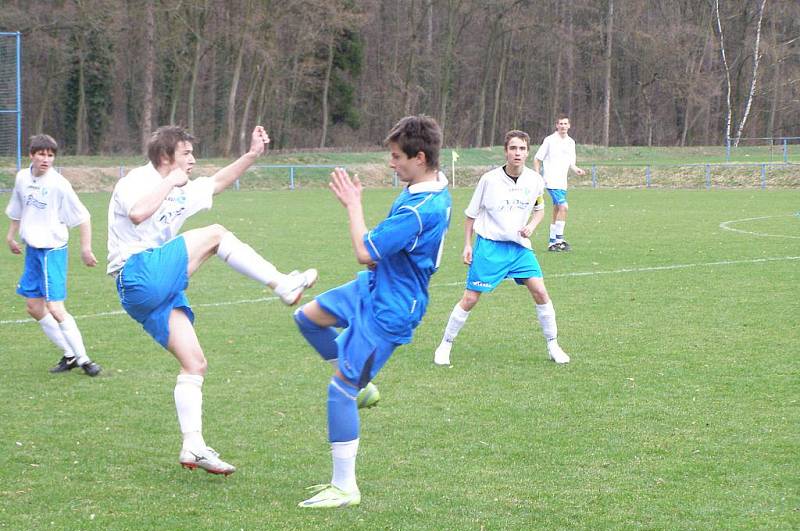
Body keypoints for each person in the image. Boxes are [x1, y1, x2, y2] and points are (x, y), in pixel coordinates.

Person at [107, 124, 317, 476]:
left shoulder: (181, 188)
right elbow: (137, 213)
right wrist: (169, 182)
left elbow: (217, 182)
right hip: (138, 272)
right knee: (216, 234)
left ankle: (193, 444)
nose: (193, 160)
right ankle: (283, 284)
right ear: (165, 157)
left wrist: (251, 155)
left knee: (195, 364)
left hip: (154, 289)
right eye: (186, 154)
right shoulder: (137, 181)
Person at [293, 115, 451, 508]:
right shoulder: (427, 186)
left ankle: (345, 487)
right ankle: (360, 382)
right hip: (374, 287)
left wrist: (353, 204)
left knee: (339, 391)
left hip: (391, 309)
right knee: (308, 318)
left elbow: (365, 251)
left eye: (397, 157)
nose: (391, 164)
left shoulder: (422, 209)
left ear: (420, 156)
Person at [434, 130, 569, 367]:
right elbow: (470, 216)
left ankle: (553, 344)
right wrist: (467, 245)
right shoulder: (489, 180)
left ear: (528, 152)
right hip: (489, 246)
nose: (518, 153)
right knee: (470, 298)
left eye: (522, 149)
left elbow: (539, 209)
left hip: (519, 249)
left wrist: (531, 227)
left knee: (540, 291)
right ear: (505, 151)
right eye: (513, 148)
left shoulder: (535, 180)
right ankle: (445, 344)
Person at [5, 134, 102, 376]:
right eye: (41, 154)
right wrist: (10, 236)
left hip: (52, 251)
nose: (46, 159)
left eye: (50, 155)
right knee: (34, 307)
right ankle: (70, 355)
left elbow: (83, 216)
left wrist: (86, 248)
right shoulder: (21, 178)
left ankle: (85, 360)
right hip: (33, 251)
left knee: (56, 308)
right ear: (31, 155)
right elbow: (18, 209)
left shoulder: (59, 184)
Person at [533, 115, 585, 252]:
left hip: (562, 182)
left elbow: (571, 164)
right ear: (557, 125)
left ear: (569, 126)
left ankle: (552, 242)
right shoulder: (549, 140)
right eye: (560, 123)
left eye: (565, 123)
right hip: (550, 180)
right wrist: (538, 176)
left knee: (557, 210)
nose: (563, 126)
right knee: (564, 207)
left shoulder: (571, 142)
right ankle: (559, 240)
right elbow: (537, 159)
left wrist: (576, 170)